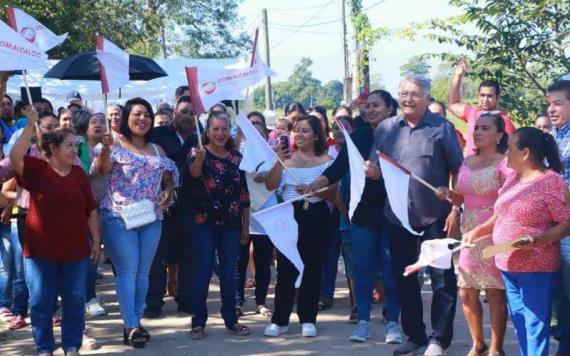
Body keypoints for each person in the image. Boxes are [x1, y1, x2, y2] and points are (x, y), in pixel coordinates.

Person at [367, 76, 463, 355]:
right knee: (404, 277)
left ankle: (439, 339)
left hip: (435, 216)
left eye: (414, 94)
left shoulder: (441, 127)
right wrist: (371, 172)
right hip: (398, 215)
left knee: (442, 279)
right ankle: (415, 335)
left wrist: (455, 205)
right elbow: (376, 164)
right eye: (403, 94)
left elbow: (458, 170)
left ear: (427, 96)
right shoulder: (386, 128)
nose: (407, 99)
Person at [306, 90, 403, 343]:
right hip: (362, 212)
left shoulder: (402, 134)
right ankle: (362, 322)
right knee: (363, 269)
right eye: (367, 106)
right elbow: (339, 167)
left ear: (390, 108)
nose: (370, 110)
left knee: (390, 268)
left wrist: (381, 173)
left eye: (376, 105)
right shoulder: (357, 137)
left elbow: (408, 170)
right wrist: (322, 180)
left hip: (393, 212)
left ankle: (393, 321)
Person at [463, 127, 570, 356]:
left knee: (534, 324)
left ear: (525, 153)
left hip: (536, 266)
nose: (505, 153)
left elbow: (567, 223)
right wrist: (479, 231)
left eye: (509, 148)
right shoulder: (513, 178)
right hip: (508, 264)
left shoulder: (551, 182)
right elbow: (501, 214)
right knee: (520, 320)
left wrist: (540, 239)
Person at [10, 111, 102, 356]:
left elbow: (90, 209)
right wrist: (31, 126)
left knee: (74, 301)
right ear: (53, 148)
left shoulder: (79, 174)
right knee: (41, 303)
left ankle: (71, 346)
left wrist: (96, 241)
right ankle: (45, 349)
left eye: (76, 145)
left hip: (75, 251)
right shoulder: (37, 169)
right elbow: (14, 156)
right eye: (69, 146)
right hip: (41, 253)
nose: (74, 150)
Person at [93, 97, 178, 348]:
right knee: (128, 272)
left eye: (147, 115)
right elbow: (103, 169)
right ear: (126, 117)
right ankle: (131, 325)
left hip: (151, 217)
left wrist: (168, 191)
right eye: (137, 114)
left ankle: (135, 322)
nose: (142, 119)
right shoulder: (113, 142)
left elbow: (168, 178)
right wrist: (107, 147)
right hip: (119, 216)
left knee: (143, 273)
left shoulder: (156, 149)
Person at [436, 113, 510, 356]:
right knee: (466, 290)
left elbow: (509, 203)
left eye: (484, 128)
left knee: (494, 291)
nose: (477, 132)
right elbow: (462, 197)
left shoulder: (506, 164)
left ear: (499, 135)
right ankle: (478, 343)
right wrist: (449, 196)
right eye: (476, 127)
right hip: (469, 232)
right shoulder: (467, 162)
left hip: (496, 232)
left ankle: (496, 348)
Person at [263, 115, 336, 338]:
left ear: (316, 135)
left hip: (316, 216)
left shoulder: (327, 161)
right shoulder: (286, 159)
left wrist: (315, 189)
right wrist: (277, 161)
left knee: (312, 267)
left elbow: (332, 193)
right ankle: (280, 320)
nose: (300, 135)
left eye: (306, 131)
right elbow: (270, 185)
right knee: (286, 267)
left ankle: (308, 318)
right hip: (289, 216)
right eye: (297, 130)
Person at [188, 111, 251, 339]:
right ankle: (198, 322)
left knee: (228, 272)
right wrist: (200, 158)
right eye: (216, 129)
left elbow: (243, 194)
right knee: (203, 271)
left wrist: (245, 226)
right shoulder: (198, 151)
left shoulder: (236, 157)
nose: (220, 133)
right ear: (208, 130)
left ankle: (231, 319)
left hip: (232, 223)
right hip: (204, 222)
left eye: (224, 129)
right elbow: (193, 174)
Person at [144, 95, 198, 318]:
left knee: (188, 255)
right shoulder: (158, 136)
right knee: (157, 256)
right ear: (174, 113)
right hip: (161, 205)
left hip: (190, 206)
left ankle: (185, 299)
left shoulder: (199, 139)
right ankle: (153, 302)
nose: (187, 116)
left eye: (192, 113)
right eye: (184, 111)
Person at [235, 111, 275, 318]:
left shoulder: (274, 156)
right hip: (243, 214)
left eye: (260, 134)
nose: (255, 138)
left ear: (267, 137)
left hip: (266, 213)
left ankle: (261, 302)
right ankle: (237, 301)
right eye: (250, 134)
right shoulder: (237, 154)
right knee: (240, 260)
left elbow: (280, 181)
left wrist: (270, 175)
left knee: (263, 260)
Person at [448, 58, 516, 155]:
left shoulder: (504, 121)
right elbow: (452, 104)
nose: (485, 100)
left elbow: (511, 150)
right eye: (482, 95)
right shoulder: (472, 113)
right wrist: (458, 76)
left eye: (490, 96)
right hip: (471, 166)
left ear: (498, 97)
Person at [547, 79, 570, 356]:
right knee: (559, 289)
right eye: (548, 104)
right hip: (553, 223)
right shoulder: (552, 136)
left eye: (558, 103)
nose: (551, 109)